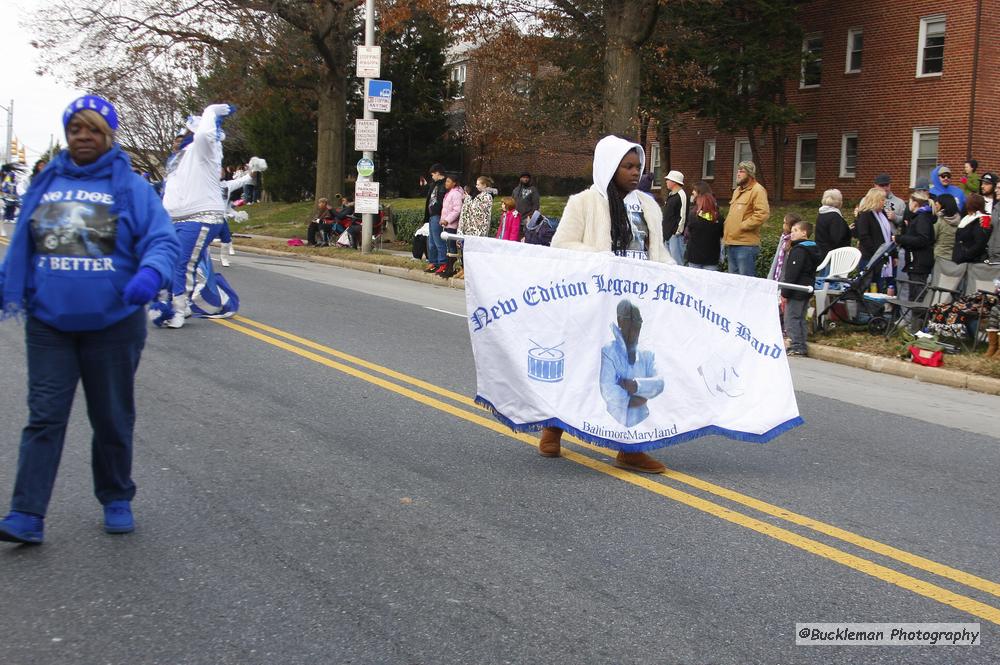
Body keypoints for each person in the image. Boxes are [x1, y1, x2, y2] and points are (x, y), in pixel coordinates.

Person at [0, 95, 179, 544]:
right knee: (44, 417)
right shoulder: (46, 182)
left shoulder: (132, 187)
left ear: (109, 136)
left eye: (93, 129)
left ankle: (116, 496)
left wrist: (151, 273)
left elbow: (162, 239)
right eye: (76, 128)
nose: (83, 136)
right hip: (49, 324)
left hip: (114, 324)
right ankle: (26, 513)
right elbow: (23, 242)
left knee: (112, 418)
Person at [544, 135, 672, 474]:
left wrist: (676, 277)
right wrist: (600, 260)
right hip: (594, 300)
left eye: (638, 166)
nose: (635, 172)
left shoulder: (648, 206)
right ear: (609, 168)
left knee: (633, 372)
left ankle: (630, 447)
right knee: (581, 366)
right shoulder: (585, 202)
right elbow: (563, 244)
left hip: (636, 302)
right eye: (627, 166)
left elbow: (658, 253)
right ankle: (553, 428)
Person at [156, 103, 241, 328]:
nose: (178, 139)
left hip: (200, 216)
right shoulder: (178, 159)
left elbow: (205, 134)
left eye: (183, 134)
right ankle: (189, 302)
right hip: (176, 220)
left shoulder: (205, 149)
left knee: (183, 264)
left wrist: (211, 111)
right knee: (172, 263)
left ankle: (178, 311)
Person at [599, 299, 665, 427]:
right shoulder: (609, 351)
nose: (635, 325)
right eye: (630, 319)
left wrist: (635, 386)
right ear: (620, 320)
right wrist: (637, 398)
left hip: (642, 421)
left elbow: (659, 382)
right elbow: (608, 389)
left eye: (638, 320)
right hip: (613, 423)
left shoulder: (647, 354)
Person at [780, 220, 820, 357]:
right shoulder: (812, 249)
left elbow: (792, 273)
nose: (792, 233)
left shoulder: (799, 250)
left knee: (791, 317)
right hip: (806, 288)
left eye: (796, 230)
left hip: (796, 289)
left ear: (804, 233)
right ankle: (802, 342)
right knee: (801, 317)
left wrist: (785, 291)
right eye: (791, 231)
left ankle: (796, 345)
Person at [724, 161, 769, 276]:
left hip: (746, 245)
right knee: (733, 282)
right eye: (738, 171)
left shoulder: (758, 190)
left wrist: (742, 226)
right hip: (732, 242)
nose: (738, 174)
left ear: (750, 174)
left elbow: (762, 213)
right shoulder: (737, 191)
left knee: (746, 281)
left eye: (742, 171)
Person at [896, 191, 936, 304]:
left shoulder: (922, 218)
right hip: (917, 261)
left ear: (914, 203)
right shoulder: (920, 217)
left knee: (917, 296)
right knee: (913, 294)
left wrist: (900, 239)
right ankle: (914, 320)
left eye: (909, 201)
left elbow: (922, 239)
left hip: (919, 262)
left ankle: (918, 321)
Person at [455, 176, 497, 280]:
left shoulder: (487, 197)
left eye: (479, 184)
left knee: (474, 251)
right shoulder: (475, 196)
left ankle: (472, 271)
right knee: (465, 250)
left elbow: (482, 213)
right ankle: (464, 268)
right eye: (476, 184)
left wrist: (470, 200)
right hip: (470, 228)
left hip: (479, 229)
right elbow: (466, 212)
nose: (476, 186)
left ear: (485, 185)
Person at [853, 187, 894, 291]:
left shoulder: (882, 214)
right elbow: (863, 236)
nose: (884, 202)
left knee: (879, 286)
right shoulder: (865, 215)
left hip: (882, 257)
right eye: (882, 199)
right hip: (869, 257)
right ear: (875, 200)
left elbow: (888, 234)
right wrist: (876, 252)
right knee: (867, 286)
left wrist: (894, 254)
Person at [684, 180, 722, 270]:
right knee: (709, 283)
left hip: (695, 256)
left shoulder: (693, 215)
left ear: (699, 193)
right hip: (712, 257)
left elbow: (689, 231)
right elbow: (721, 233)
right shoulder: (717, 216)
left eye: (694, 190)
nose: (692, 192)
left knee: (694, 283)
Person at [422, 164, 448, 274]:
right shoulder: (434, 184)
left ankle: (442, 262)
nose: (432, 176)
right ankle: (433, 262)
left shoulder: (445, 184)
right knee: (431, 241)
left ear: (437, 173)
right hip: (432, 215)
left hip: (439, 215)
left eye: (433, 174)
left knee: (438, 241)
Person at [814, 188, 851, 261]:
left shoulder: (822, 214)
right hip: (833, 256)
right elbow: (837, 238)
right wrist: (848, 231)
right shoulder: (835, 216)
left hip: (822, 251)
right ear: (839, 201)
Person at [953, 194, 991, 264]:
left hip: (972, 262)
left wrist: (964, 256)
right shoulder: (967, 218)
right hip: (962, 260)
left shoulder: (981, 220)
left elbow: (979, 244)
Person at [661, 170, 687, 265]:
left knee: (677, 262)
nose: (666, 182)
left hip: (675, 235)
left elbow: (682, 215)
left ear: (674, 181)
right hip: (667, 234)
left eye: (668, 180)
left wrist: (677, 232)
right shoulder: (671, 195)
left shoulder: (681, 195)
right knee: (668, 262)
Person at [767, 213, 798, 282]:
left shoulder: (794, 240)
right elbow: (777, 258)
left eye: (785, 223)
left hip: (785, 277)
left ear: (791, 226)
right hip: (776, 274)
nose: (783, 225)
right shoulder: (784, 237)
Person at [931, 193, 961, 265]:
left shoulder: (939, 220)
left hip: (939, 256)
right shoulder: (959, 219)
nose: (935, 206)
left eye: (936, 204)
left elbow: (932, 237)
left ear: (942, 204)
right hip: (954, 256)